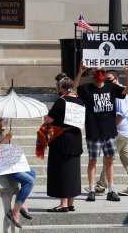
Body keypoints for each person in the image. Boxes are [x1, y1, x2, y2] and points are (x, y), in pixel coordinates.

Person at [74, 61, 128, 202]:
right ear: (93, 73)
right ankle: (92, 189)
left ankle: (111, 190)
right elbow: (73, 89)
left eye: (102, 71)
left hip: (109, 132)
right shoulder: (87, 88)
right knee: (92, 161)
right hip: (94, 131)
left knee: (110, 161)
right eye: (97, 71)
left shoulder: (111, 87)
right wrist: (80, 72)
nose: (100, 74)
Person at [88, 70, 128, 196]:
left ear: (117, 79)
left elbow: (120, 115)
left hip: (119, 132)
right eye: (105, 79)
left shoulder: (117, 93)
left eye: (109, 79)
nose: (106, 81)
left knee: (108, 159)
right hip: (126, 131)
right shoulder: (116, 91)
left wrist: (110, 128)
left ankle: (101, 185)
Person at [0, 116, 36, 228]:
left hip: (3, 162)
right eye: (3, 117)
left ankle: (23, 203)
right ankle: (15, 211)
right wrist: (7, 138)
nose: (5, 119)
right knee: (29, 181)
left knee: (32, 172)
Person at [44, 75, 84, 212]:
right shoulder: (79, 101)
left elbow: (49, 119)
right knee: (72, 171)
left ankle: (63, 204)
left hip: (62, 139)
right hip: (75, 139)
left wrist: (45, 115)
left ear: (61, 88)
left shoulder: (61, 101)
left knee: (62, 171)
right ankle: (71, 203)